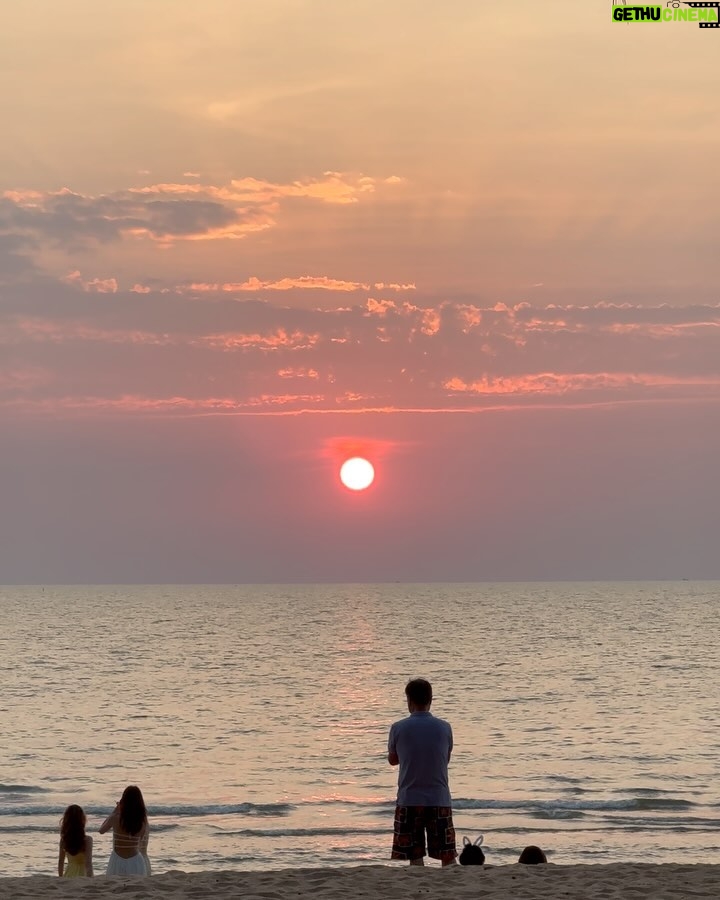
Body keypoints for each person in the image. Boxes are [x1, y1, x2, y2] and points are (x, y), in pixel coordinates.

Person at [387, 677, 456, 866]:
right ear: (430, 699)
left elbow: (393, 760)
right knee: (447, 856)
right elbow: (445, 758)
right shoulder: (444, 728)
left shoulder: (398, 727)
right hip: (438, 798)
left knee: (414, 858)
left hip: (409, 798)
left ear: (409, 700)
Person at [99, 785, 150, 876]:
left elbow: (101, 830)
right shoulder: (142, 822)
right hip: (136, 860)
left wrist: (115, 811)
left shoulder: (115, 818)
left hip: (117, 859)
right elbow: (141, 841)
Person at [58, 804, 94, 877]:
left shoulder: (64, 840)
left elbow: (61, 862)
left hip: (68, 874)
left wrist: (60, 877)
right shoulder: (87, 840)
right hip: (82, 874)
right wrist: (90, 879)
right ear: (83, 820)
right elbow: (88, 863)